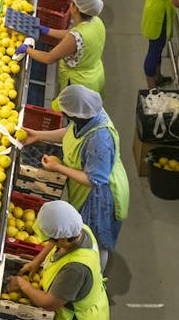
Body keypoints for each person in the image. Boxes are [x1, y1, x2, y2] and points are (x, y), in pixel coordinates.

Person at [22, 85, 129, 270]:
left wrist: (59, 167)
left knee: (94, 240)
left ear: (76, 115)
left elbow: (95, 179)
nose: (64, 115)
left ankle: (95, 274)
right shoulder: (88, 114)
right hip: (87, 186)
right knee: (79, 232)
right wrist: (38, 135)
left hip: (100, 196)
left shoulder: (100, 138)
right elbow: (70, 132)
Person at [15, 0, 106, 94]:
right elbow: (71, 34)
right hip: (94, 72)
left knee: (68, 108)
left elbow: (48, 58)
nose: (70, 5)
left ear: (76, 9)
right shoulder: (96, 21)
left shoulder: (75, 37)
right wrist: (47, 30)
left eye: (72, 3)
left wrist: (27, 49)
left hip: (79, 83)